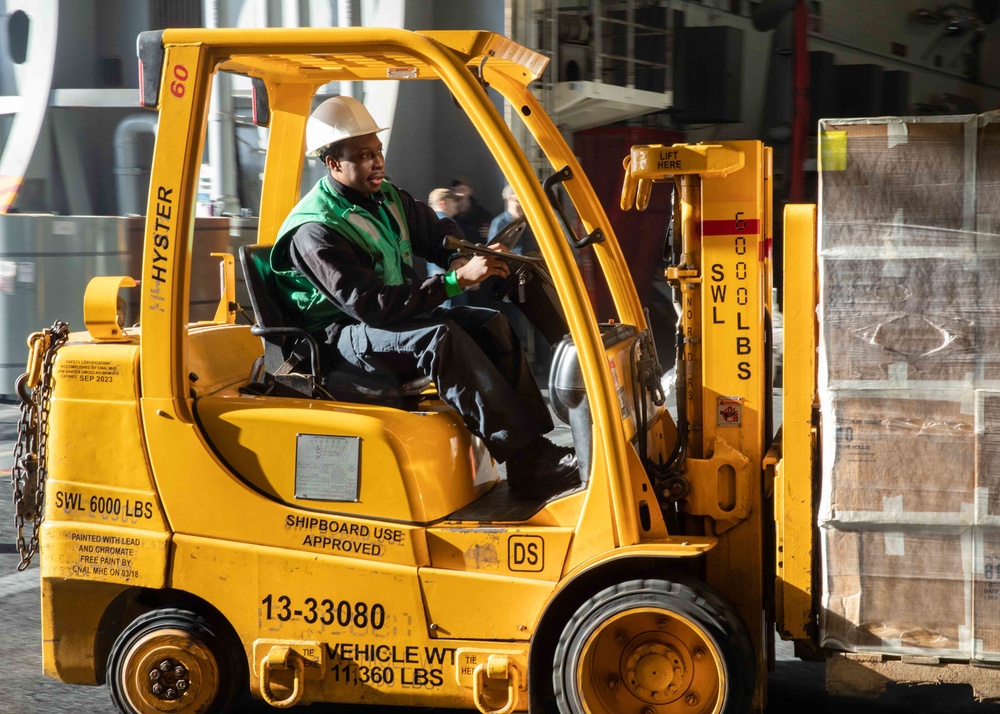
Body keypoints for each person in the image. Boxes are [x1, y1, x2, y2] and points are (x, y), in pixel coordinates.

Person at [269, 95, 579, 496]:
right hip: (335, 341)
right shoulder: (315, 230)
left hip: (378, 323)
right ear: (333, 163)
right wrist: (454, 282)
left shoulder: (386, 199)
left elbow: (436, 234)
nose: (377, 162)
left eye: (377, 152)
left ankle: (532, 452)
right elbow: (372, 307)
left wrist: (467, 255)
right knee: (439, 338)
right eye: (363, 155)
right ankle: (525, 455)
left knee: (489, 321)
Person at [451, 177, 494, 243]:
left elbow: (494, 232)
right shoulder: (450, 214)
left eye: (462, 190)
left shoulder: (482, 214)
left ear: (470, 191)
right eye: (455, 190)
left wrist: (492, 233)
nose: (458, 193)